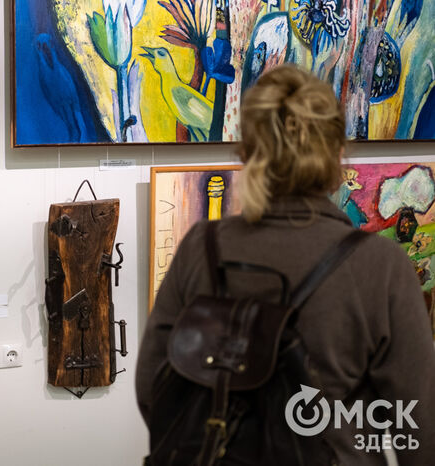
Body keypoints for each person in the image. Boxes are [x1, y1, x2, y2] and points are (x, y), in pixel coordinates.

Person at [136, 65, 435, 465]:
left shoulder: (201, 248)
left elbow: (153, 388)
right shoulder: (380, 266)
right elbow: (419, 427)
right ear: (336, 154)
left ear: (248, 152)